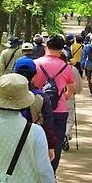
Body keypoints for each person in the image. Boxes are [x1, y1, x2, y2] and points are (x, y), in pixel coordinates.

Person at [0, 58, 56, 161]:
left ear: (14, 73)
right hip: (29, 141)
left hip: (1, 139)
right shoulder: (41, 97)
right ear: (34, 76)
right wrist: (50, 146)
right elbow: (48, 124)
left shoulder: (2, 93)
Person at [32, 34, 76, 172]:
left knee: (35, 141)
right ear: (61, 49)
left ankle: (36, 171)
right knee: (56, 142)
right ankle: (51, 173)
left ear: (46, 46)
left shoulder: (36, 64)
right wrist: (62, 98)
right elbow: (71, 90)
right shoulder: (66, 67)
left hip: (37, 110)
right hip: (59, 109)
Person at [64, 54, 84, 151]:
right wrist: (77, 91)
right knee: (69, 118)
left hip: (53, 97)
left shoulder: (50, 67)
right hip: (69, 96)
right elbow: (79, 85)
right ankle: (66, 134)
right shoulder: (72, 69)